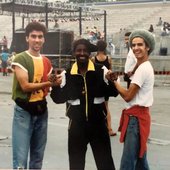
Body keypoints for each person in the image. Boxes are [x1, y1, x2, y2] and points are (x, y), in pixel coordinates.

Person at [50, 38, 118, 170]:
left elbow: (113, 92)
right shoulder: (67, 74)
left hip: (98, 125)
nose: (82, 53)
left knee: (105, 163)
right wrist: (55, 86)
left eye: (85, 51)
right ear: (74, 53)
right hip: (76, 127)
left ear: (89, 53)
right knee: (76, 164)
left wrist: (111, 81)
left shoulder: (101, 70)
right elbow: (58, 99)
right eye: (79, 50)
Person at [11, 22, 61, 169]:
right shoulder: (20, 59)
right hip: (24, 111)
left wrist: (58, 83)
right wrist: (49, 84)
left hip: (41, 110)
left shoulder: (46, 61)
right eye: (33, 36)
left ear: (44, 39)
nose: (37, 40)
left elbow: (49, 86)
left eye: (40, 37)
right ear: (27, 38)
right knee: (20, 161)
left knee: (38, 158)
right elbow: (25, 86)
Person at [108, 29, 155, 170]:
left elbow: (128, 96)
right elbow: (138, 66)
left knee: (128, 162)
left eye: (140, 45)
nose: (136, 48)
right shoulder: (144, 66)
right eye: (133, 45)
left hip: (135, 119)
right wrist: (133, 71)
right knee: (140, 159)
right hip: (141, 116)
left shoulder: (142, 70)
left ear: (147, 47)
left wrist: (114, 81)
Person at [91, 40, 117, 136]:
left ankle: (96, 128)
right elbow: (110, 71)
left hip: (97, 85)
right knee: (106, 107)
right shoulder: (108, 58)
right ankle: (109, 128)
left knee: (96, 106)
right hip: (105, 85)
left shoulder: (93, 59)